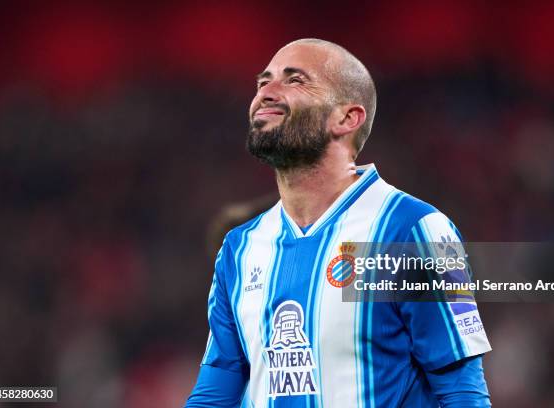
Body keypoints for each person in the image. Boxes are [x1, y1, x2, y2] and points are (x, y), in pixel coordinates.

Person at [186, 38, 492, 407]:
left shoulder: (418, 232)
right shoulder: (239, 248)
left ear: (347, 118)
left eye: (294, 80)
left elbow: (461, 391)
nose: (266, 92)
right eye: (262, 82)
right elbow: (216, 392)